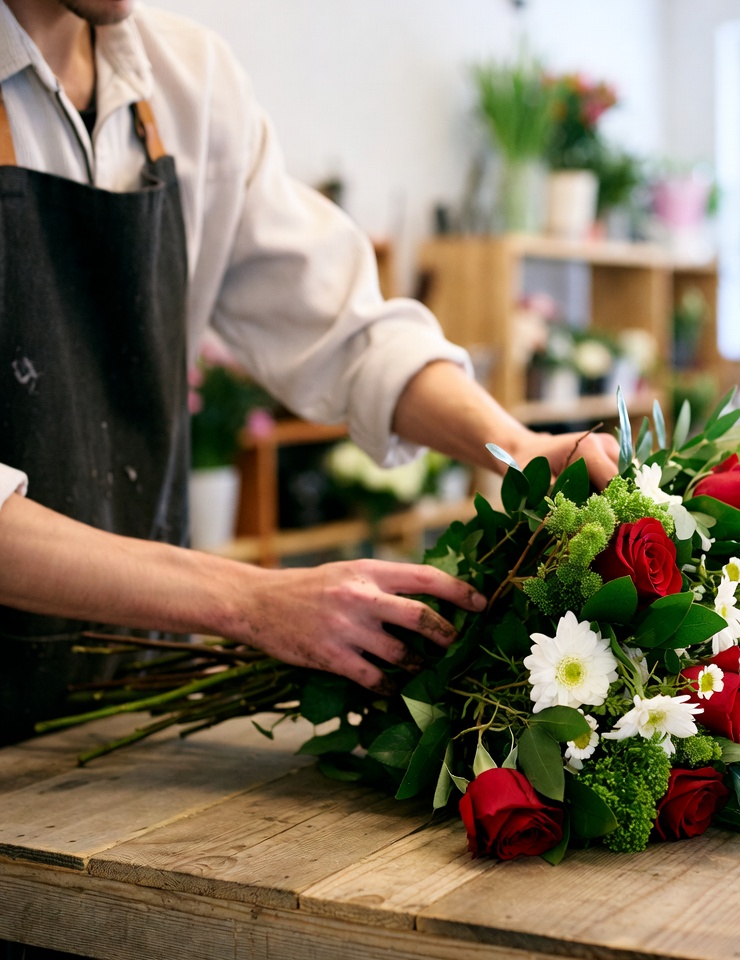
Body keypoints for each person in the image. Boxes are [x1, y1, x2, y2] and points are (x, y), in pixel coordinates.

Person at [0, 0, 620, 743]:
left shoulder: (188, 82)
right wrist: (246, 599)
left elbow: (343, 328)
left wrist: (513, 449)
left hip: (123, 702)